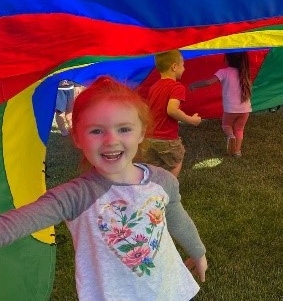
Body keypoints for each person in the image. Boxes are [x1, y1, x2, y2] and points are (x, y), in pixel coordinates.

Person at [0, 76, 207, 300]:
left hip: (167, 289)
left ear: (141, 132)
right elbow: (18, 222)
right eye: (97, 131)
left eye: (124, 129)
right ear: (78, 137)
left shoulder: (162, 180)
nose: (111, 140)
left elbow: (177, 218)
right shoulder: (76, 196)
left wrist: (199, 253)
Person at [144, 49, 201, 177]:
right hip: (167, 138)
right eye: (183, 65)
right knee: (176, 161)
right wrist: (191, 120)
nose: (184, 69)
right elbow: (172, 110)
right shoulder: (177, 87)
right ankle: (169, 187)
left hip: (149, 138)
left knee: (153, 167)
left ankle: (152, 190)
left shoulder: (154, 87)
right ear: (174, 67)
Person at [189, 51, 252, 157]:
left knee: (226, 125)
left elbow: (209, 82)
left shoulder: (224, 72)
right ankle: (237, 151)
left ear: (227, 59)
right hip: (245, 109)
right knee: (239, 129)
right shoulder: (244, 73)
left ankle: (230, 136)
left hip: (230, 109)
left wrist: (194, 85)